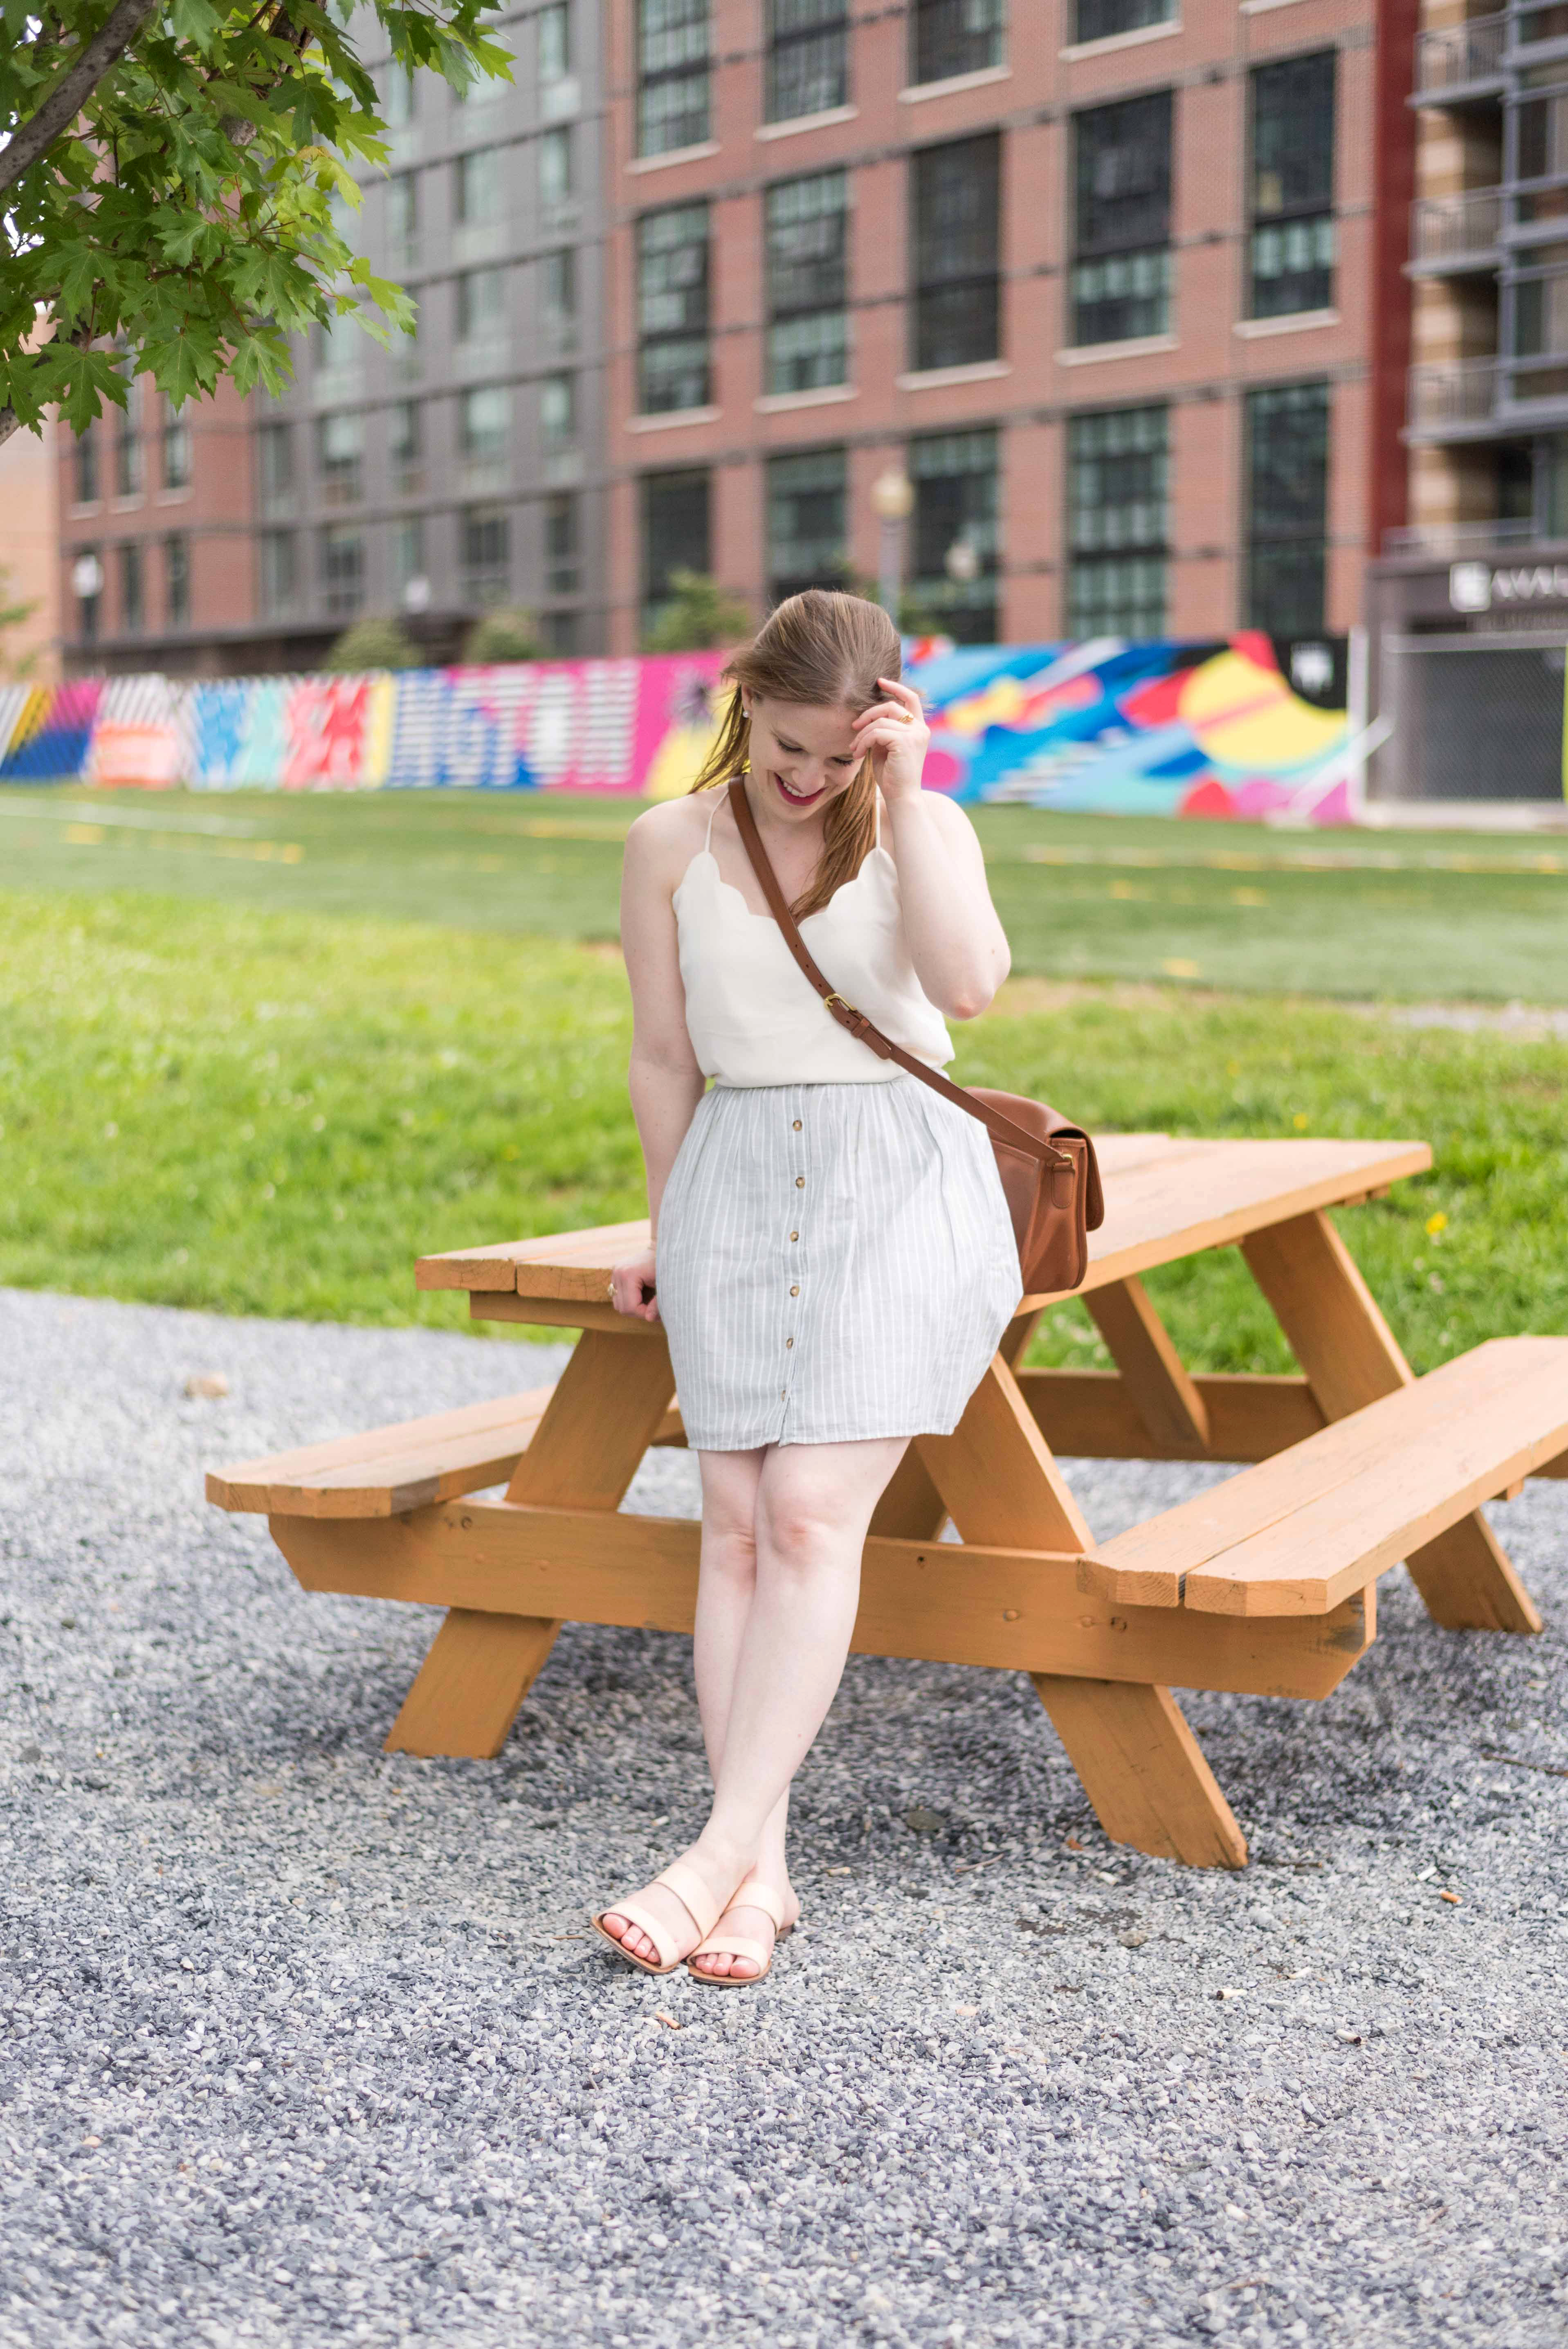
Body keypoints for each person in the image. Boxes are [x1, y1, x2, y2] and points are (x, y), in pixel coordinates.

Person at [596, 589, 1021, 1986]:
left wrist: (905, 794)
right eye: (790, 745)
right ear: (744, 701)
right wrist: (665, 1220)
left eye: (841, 754)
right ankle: (761, 1875)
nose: (809, 777)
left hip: (895, 1178)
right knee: (729, 1525)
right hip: (732, 1176)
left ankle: (712, 1855)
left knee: (807, 1511)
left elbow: (970, 986)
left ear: (881, 731)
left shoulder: (918, 820)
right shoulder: (668, 842)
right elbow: (666, 1057)